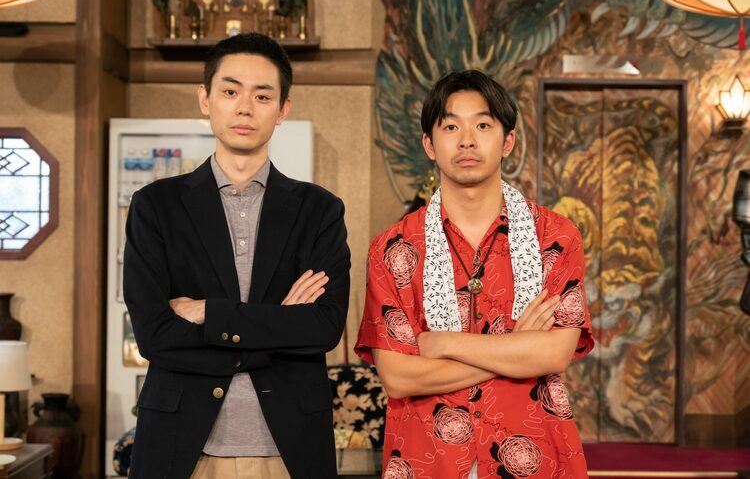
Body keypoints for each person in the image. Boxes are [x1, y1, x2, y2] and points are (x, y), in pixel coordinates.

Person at [124, 32, 350, 479]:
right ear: (205, 99)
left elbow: (323, 328)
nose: (245, 107)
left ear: (282, 109)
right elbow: (154, 335)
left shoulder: (319, 209)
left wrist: (210, 313)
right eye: (230, 92)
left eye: (262, 96)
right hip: (182, 447)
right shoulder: (156, 205)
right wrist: (277, 326)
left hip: (288, 448)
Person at [355, 69, 594, 478]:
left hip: (534, 451)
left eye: (483, 125)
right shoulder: (393, 248)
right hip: (428, 457)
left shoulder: (554, 237)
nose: (467, 140)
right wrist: (516, 348)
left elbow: (554, 354)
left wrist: (442, 343)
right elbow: (398, 378)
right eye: (451, 127)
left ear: (508, 141)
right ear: (429, 145)